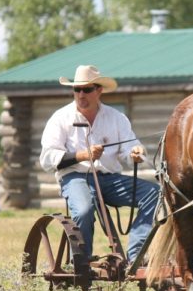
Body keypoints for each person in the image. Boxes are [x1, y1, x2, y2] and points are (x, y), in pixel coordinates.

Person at [39, 65, 159, 264]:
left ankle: (136, 255)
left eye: (86, 89)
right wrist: (83, 155)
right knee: (84, 210)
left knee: (154, 193)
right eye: (77, 89)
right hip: (75, 177)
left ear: (99, 90)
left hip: (109, 179)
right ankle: (81, 264)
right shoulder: (60, 118)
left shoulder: (116, 118)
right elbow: (47, 158)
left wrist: (136, 153)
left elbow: (130, 148)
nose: (81, 94)